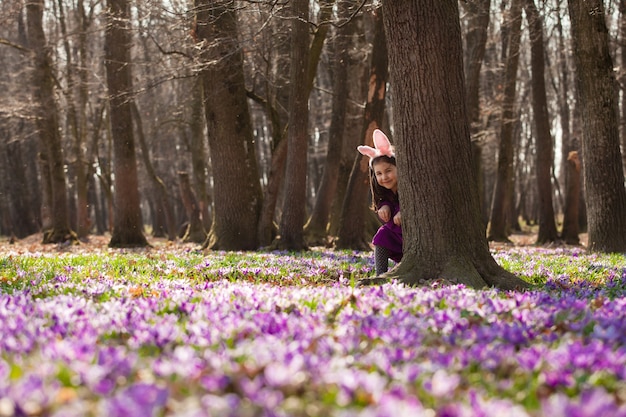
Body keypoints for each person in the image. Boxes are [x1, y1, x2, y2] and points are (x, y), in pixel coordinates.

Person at [357, 129, 402, 275]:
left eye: (388, 170)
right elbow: (384, 200)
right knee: (382, 235)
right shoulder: (384, 193)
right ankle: (380, 273)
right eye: (379, 174)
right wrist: (385, 206)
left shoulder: (407, 188)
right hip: (397, 237)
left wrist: (404, 212)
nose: (384, 177)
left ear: (398, 167)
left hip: (413, 235)